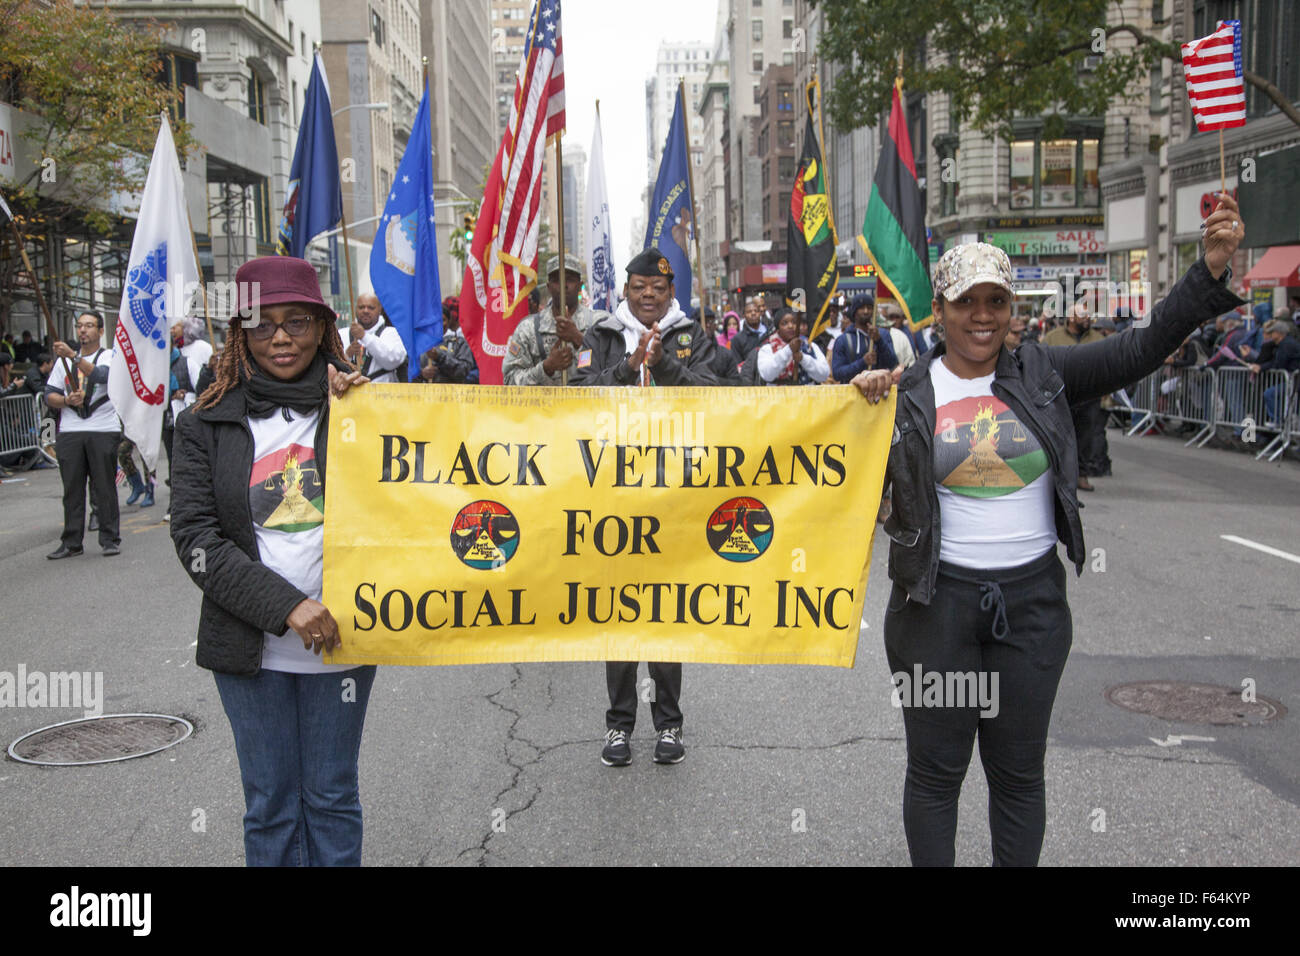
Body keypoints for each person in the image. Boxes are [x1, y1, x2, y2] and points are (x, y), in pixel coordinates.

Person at [851, 194, 1245, 867]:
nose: (982, 316)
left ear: (1012, 311)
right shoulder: (903, 391)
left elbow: (1142, 347)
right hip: (932, 612)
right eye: (967, 302)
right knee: (936, 773)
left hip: (1031, 611)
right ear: (939, 309)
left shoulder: (1045, 374)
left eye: (996, 302)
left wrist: (1206, 271)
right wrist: (857, 405)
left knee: (1017, 774)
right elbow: (809, 454)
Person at [170, 255, 373, 867]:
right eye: (261, 324)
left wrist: (368, 412)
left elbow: (405, 505)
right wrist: (287, 607)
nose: (280, 337)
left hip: (344, 641)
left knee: (332, 796)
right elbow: (195, 538)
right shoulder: (205, 421)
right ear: (240, 333)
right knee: (271, 805)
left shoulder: (359, 409)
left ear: (321, 327)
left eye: (296, 322)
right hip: (249, 648)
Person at [572, 246, 718, 767]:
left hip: (673, 496)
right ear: (625, 291)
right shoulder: (601, 337)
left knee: (667, 612)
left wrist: (666, 367)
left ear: (671, 291)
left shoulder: (692, 336)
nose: (649, 295)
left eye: (658, 288)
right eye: (639, 288)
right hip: (612, 497)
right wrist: (628, 367)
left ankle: (669, 724)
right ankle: (618, 726)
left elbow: (719, 396)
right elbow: (575, 397)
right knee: (618, 612)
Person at [44, 310, 121, 559]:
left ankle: (110, 539)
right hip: (70, 430)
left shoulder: (109, 355)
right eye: (79, 326)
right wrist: (66, 400)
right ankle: (71, 542)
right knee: (72, 490)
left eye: (89, 325)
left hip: (103, 429)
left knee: (104, 487)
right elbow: (49, 394)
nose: (83, 330)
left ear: (100, 331)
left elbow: (101, 376)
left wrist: (73, 356)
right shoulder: (61, 363)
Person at [502, 254, 604, 386]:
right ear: (548, 286)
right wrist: (546, 368)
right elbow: (509, 380)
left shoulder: (598, 323)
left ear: (580, 285)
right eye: (557, 280)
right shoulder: (528, 328)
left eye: (570, 280)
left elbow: (611, 371)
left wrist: (579, 339)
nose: (563, 285)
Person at [1043, 300, 1107, 489]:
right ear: (1071, 317)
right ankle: (1059, 476)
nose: (1087, 319)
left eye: (1088, 315)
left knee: (1086, 437)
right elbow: (1040, 362)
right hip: (1061, 396)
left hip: (1089, 395)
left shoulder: (1098, 339)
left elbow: (1107, 364)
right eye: (1083, 315)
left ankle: (1082, 474)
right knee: (1059, 436)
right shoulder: (1053, 338)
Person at [830, 294, 898, 384]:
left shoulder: (883, 334)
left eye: (869, 308)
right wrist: (863, 362)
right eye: (861, 308)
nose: (866, 311)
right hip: (852, 390)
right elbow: (837, 373)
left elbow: (893, 363)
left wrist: (879, 341)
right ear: (854, 312)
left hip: (879, 389)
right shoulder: (842, 340)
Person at [345, 291, 407, 383]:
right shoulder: (342, 334)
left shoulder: (391, 333)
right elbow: (333, 367)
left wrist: (365, 337)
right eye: (361, 307)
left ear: (379, 310)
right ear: (355, 309)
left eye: (371, 308)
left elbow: (393, 361)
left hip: (382, 391)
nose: (365, 311)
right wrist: (347, 355)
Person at [757, 308, 829, 385]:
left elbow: (824, 375)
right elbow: (767, 375)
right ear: (777, 328)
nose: (790, 326)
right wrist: (788, 350)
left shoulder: (810, 346)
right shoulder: (768, 348)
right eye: (784, 323)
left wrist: (803, 359)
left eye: (794, 322)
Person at [1250, 318, 1300, 427]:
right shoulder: (1284, 344)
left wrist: (1261, 367)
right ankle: (1280, 423)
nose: (1269, 335)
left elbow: (1279, 364)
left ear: (1278, 333)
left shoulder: (1286, 345)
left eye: (1271, 332)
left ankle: (1278, 421)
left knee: (1270, 394)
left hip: (1294, 380)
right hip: (1292, 379)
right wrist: (1262, 367)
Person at [419, 297, 478, 384]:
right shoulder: (419, 344)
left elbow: (463, 371)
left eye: (442, 320)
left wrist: (439, 357)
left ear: (449, 321)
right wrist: (422, 374)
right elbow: (407, 372)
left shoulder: (460, 343)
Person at [729, 296, 768, 364]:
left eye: (756, 311)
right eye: (749, 312)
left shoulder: (770, 331)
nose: (753, 313)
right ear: (744, 315)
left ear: (760, 313)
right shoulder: (737, 340)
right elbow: (737, 364)